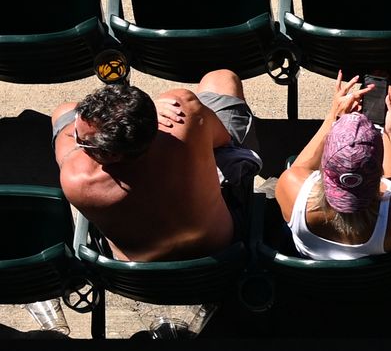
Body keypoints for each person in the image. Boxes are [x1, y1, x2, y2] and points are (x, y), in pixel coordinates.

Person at [52, 68, 262, 263]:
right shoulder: (184, 111)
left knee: (64, 110)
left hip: (137, 275)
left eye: (80, 140)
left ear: (110, 153)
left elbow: (65, 127)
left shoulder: (76, 179)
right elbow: (223, 140)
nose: (75, 137)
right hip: (218, 249)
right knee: (220, 78)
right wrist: (151, 116)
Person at [274, 73, 391, 259]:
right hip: (383, 243)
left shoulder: (291, 188)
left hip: (315, 283)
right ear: (381, 172)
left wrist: (334, 115)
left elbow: (300, 168)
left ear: (324, 164)